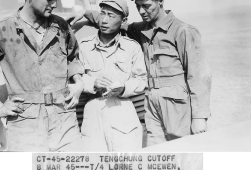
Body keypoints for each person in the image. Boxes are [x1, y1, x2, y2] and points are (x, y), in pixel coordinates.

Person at [66, 0, 212, 147]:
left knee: (184, 152)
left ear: (160, 2)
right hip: (151, 106)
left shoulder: (183, 31)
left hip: (177, 105)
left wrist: (200, 117)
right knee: (156, 156)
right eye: (138, 6)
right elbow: (110, 20)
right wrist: (86, 12)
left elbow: (200, 75)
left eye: (146, 6)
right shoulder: (140, 29)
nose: (141, 11)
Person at [0, 0, 84, 151]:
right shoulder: (0, 31)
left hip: (64, 120)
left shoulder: (62, 26)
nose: (55, 4)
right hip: (25, 124)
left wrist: (78, 82)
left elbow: (72, 57)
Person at [79, 0, 147, 151]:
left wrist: (124, 88)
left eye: (111, 15)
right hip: (93, 109)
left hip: (122, 109)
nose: (104, 20)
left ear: (123, 21)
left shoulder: (132, 47)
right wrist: (93, 83)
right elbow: (76, 79)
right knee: (94, 167)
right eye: (102, 13)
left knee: (125, 167)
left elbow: (142, 79)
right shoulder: (84, 46)